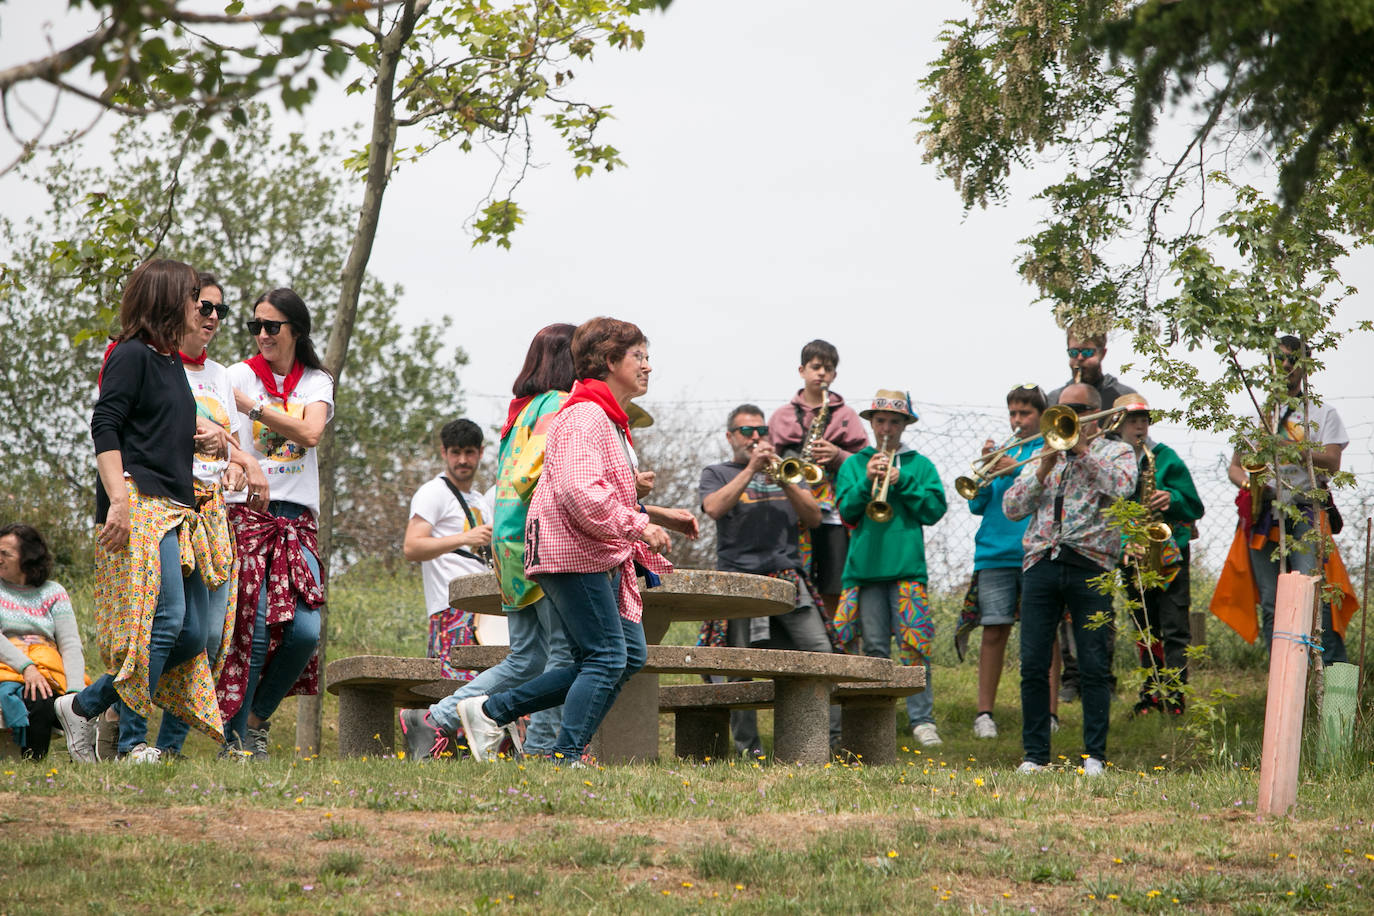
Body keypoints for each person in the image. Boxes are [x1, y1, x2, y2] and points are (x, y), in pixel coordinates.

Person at [453, 317, 698, 764]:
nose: (648, 367)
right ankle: (564, 756)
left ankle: (491, 711)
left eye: (647, 357)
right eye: (638, 356)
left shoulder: (603, 416)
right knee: (605, 658)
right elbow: (578, 489)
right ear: (609, 362)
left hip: (590, 553)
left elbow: (593, 486)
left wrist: (647, 518)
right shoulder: (585, 414)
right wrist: (638, 524)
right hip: (570, 553)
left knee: (625, 656)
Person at [53, 258, 225, 763]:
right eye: (194, 296)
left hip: (179, 508)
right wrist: (120, 501)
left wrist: (221, 451)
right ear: (169, 298)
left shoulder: (171, 361)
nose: (201, 306)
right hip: (143, 503)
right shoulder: (131, 354)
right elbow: (105, 425)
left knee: (193, 634)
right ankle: (131, 745)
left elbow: (159, 432)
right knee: (166, 619)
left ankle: (83, 706)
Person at [399, 324, 577, 761]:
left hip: (512, 549)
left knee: (527, 659)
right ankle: (540, 750)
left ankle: (435, 718)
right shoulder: (560, 406)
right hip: (541, 547)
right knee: (562, 655)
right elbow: (550, 476)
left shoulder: (520, 410)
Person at [116, 271, 265, 761]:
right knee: (163, 623)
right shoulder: (149, 360)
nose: (213, 318)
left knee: (206, 634)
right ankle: (124, 731)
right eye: (204, 306)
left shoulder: (220, 375)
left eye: (220, 310)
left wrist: (240, 462)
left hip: (211, 512)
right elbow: (122, 426)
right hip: (162, 504)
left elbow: (231, 442)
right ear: (180, 306)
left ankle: (169, 746)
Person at [218, 288, 335, 759]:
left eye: (272, 326)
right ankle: (237, 743)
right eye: (255, 326)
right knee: (255, 628)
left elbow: (310, 432)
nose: (262, 335)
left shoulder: (315, 381)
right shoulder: (235, 375)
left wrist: (254, 407)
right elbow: (215, 433)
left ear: (297, 330)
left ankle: (255, 719)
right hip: (248, 514)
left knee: (306, 632)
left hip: (297, 521)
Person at [1003, 383, 1137, 776]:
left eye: (1079, 409)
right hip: (1041, 562)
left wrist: (1081, 451)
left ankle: (1095, 755)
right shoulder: (1044, 453)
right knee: (1033, 663)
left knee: (1094, 662)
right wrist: (1043, 467)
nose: (1071, 415)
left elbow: (1122, 488)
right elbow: (1012, 507)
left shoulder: (1117, 452)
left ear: (1098, 414)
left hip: (1091, 563)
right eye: (1064, 409)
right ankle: (1034, 755)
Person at [698, 403, 837, 759]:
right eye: (747, 431)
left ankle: (824, 742)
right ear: (730, 437)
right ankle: (749, 752)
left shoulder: (789, 473)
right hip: (738, 581)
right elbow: (713, 508)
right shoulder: (717, 472)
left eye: (761, 431)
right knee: (739, 668)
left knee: (821, 654)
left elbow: (814, 518)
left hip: (786, 577)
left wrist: (787, 483)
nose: (756, 437)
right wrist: (750, 470)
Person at [1212, 336, 1357, 663]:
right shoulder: (1256, 415)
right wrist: (1252, 487)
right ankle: (1284, 677)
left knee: (1311, 594)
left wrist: (1288, 448)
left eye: (1293, 361)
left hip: (1305, 512)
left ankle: (1325, 680)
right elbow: (1235, 468)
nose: (1286, 367)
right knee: (1270, 601)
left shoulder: (1322, 412)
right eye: (1280, 360)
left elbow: (1333, 461)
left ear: (1305, 366)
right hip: (1266, 513)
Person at [834, 390, 947, 747]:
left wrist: (905, 482)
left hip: (907, 570)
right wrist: (868, 481)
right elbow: (846, 513)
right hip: (864, 572)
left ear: (904, 425)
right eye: (880, 421)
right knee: (875, 651)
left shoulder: (920, 465)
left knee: (915, 649)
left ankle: (922, 720)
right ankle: (876, 717)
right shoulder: (854, 464)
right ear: (871, 423)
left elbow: (934, 511)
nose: (887, 428)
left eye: (894, 422)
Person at [1046, 327, 1137, 703]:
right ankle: (1071, 678)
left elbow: (1138, 445)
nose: (1079, 359)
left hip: (1110, 505)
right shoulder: (1055, 398)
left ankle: (1103, 677)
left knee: (1102, 605)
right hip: (1067, 510)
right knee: (1063, 609)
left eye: (1086, 351)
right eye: (1073, 352)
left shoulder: (1121, 395)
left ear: (1103, 351)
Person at [954, 384, 1046, 739]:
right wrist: (987, 472)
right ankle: (984, 714)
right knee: (993, 631)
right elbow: (977, 505)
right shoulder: (1006, 451)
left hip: (1035, 551)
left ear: (1041, 415)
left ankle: (1048, 714)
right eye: (1013, 414)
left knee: (1043, 637)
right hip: (993, 553)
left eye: (1025, 413)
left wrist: (1015, 471)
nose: (1018, 420)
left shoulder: (1047, 449)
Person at [1114, 394, 1205, 715]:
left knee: (1175, 626)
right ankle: (1150, 694)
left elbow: (1195, 505)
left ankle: (1175, 696)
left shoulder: (1165, 457)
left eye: (1144, 419)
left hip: (1169, 554)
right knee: (1144, 627)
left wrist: (1172, 498)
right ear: (1117, 423)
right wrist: (1125, 540)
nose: (1139, 425)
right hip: (1132, 555)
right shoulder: (1111, 461)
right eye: (1132, 420)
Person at [767, 340, 868, 621]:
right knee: (796, 574)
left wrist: (837, 455)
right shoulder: (782, 416)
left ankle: (831, 634)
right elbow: (770, 462)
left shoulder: (847, 415)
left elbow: (864, 462)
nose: (821, 373)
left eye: (828, 368)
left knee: (833, 578)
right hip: (792, 510)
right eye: (815, 367)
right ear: (801, 370)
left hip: (833, 512)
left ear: (835, 375)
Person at [402, 418, 494, 681]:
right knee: (452, 690)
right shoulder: (434, 492)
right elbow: (412, 546)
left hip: (483, 611)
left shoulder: (480, 501)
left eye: (469, 452)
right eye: (455, 452)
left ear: (481, 453)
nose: (462, 460)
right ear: (444, 453)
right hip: (450, 607)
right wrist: (465, 537)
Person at [0, 524, 87, 760]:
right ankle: (33, 764)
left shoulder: (53, 592)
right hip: (8, 665)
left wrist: (75, 692)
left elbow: (69, 644)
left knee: (54, 696)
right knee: (37, 695)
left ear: (27, 557)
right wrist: (26, 667)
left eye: (5, 553)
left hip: (48, 666)